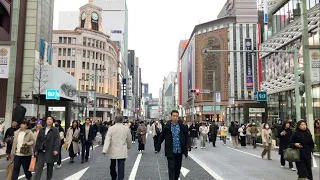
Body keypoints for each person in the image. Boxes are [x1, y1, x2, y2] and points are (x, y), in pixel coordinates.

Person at [156, 110, 188, 180]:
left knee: (177, 168)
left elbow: (186, 137)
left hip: (179, 151)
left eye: (177, 116)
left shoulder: (182, 126)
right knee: (171, 168)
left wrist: (186, 149)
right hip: (170, 151)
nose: (175, 117)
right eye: (174, 116)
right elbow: (162, 136)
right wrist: (158, 146)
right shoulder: (167, 126)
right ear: (171, 116)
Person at [103, 115, 132, 180]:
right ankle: (120, 178)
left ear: (115, 120)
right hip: (122, 149)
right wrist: (129, 146)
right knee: (121, 166)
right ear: (122, 120)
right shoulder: (126, 128)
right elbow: (129, 139)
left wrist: (105, 150)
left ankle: (114, 177)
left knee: (112, 165)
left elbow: (107, 139)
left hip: (113, 150)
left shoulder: (111, 128)